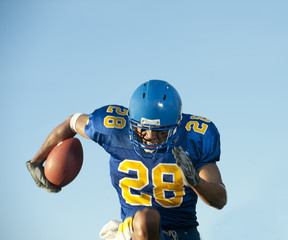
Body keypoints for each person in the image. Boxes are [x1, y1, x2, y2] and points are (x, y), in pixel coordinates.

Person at [26, 79, 227, 240]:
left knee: (147, 218)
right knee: (144, 220)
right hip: (135, 231)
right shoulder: (113, 128)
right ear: (130, 122)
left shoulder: (195, 137)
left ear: (176, 126)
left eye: (159, 131)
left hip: (182, 234)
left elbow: (219, 200)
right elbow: (72, 122)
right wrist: (37, 161)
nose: (149, 135)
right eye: (142, 128)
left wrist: (195, 182)